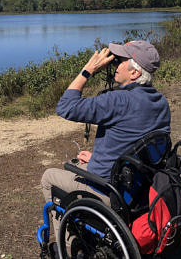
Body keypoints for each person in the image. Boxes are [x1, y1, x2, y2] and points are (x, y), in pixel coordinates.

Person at [40, 40, 171, 222]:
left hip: (110, 190)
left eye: (120, 61)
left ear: (135, 72)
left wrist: (88, 70)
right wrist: (97, 159)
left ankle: (68, 243)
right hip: (139, 185)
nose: (115, 64)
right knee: (78, 165)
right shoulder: (161, 102)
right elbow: (135, 144)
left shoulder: (118, 100)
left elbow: (65, 106)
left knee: (49, 177)